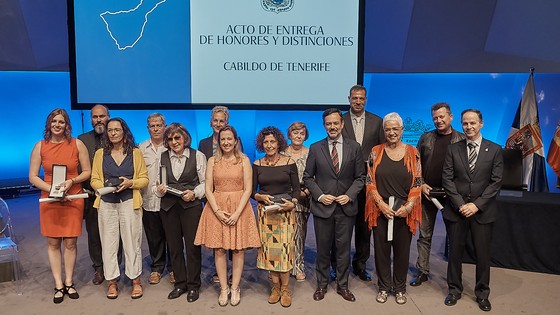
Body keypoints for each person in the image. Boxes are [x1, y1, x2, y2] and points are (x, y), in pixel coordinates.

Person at [442, 109, 503, 312]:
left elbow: (495, 183)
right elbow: (447, 180)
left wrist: (476, 205)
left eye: (473, 123)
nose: (468, 127)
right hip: (456, 210)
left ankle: (482, 293)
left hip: (482, 212)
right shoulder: (453, 149)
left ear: (481, 124)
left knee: (483, 255)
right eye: (465, 123)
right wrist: (461, 204)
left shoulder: (494, 150)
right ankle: (454, 290)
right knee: (455, 254)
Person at [29, 108, 91, 304]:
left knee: (71, 243)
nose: (57, 125)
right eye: (54, 121)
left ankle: (69, 282)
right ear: (49, 124)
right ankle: (58, 285)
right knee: (53, 243)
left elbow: (87, 171)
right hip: (50, 199)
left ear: (67, 125)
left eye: (61, 122)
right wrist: (52, 190)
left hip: (73, 197)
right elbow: (32, 176)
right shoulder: (40, 146)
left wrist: (71, 183)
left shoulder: (77, 144)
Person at [304, 108, 365, 303]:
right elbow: (307, 177)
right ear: (324, 126)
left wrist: (349, 196)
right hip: (323, 208)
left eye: (335, 123)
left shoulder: (354, 147)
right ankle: (321, 285)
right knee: (323, 249)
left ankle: (343, 285)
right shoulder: (315, 148)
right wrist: (320, 196)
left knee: (343, 249)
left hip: (346, 208)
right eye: (328, 124)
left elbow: (360, 177)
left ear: (342, 124)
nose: (332, 126)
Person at [194, 125, 260, 307]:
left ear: (236, 140)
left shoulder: (244, 160)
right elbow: (208, 188)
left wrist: (238, 212)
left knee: (238, 249)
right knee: (220, 249)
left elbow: (248, 189)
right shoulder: (212, 161)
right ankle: (224, 288)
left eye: (229, 138)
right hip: (217, 207)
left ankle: (235, 287)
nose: (226, 142)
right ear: (218, 141)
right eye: (223, 139)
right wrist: (216, 210)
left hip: (240, 207)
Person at [364, 112, 422, 305]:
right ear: (383, 131)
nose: (391, 132)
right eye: (387, 129)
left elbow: (418, 181)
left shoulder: (413, 152)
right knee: (381, 251)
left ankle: (399, 288)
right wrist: (380, 204)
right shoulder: (375, 151)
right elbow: (369, 179)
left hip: (404, 210)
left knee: (402, 251)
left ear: (402, 130)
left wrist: (409, 206)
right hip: (380, 209)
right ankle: (383, 287)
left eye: (395, 129)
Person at [90, 117, 148, 299]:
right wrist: (103, 187)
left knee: (132, 243)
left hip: (130, 202)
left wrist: (131, 183)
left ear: (124, 132)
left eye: (117, 129)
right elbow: (94, 179)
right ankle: (112, 281)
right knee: (108, 244)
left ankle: (135, 280)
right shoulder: (100, 153)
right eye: (110, 130)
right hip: (107, 204)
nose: (113, 133)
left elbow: (144, 179)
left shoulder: (135, 153)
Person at [410, 103, 465, 286]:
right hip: (427, 194)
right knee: (424, 235)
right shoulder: (425, 138)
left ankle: (453, 277)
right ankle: (422, 271)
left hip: (452, 196)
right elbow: (415, 166)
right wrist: (422, 185)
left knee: (454, 237)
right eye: (435, 118)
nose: (438, 120)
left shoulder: (462, 140)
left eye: (442, 117)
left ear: (451, 117)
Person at [155, 123, 206, 302]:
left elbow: (205, 183)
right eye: (170, 139)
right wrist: (159, 190)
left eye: (177, 138)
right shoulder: (161, 157)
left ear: (185, 138)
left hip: (191, 207)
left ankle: (193, 285)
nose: (174, 142)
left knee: (192, 248)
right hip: (168, 207)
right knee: (174, 247)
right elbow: (157, 185)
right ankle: (180, 284)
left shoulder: (197, 156)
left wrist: (194, 193)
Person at [341, 84, 385, 282]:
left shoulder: (377, 121)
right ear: (349, 98)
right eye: (354, 98)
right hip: (344, 182)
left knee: (364, 227)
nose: (358, 101)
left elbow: (382, 151)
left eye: (361, 98)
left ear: (366, 99)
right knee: (341, 227)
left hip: (368, 183)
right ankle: (338, 265)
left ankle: (360, 266)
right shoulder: (339, 120)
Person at [252, 126, 299, 308]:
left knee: (284, 251)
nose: (269, 145)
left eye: (272, 141)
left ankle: (286, 288)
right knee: (271, 252)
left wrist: (293, 202)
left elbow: (296, 189)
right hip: (266, 214)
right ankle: (275, 287)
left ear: (279, 142)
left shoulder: (289, 162)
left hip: (285, 212)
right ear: (261, 144)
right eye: (266, 142)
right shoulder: (257, 164)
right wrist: (260, 197)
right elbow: (252, 192)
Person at [197, 105, 243, 283]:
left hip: (233, 196)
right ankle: (221, 272)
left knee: (235, 238)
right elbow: (202, 170)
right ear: (210, 122)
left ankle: (233, 272)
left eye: (221, 121)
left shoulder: (236, 142)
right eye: (215, 120)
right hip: (213, 197)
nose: (217, 123)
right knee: (219, 239)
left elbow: (239, 165)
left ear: (226, 122)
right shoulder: (203, 144)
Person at [78, 104, 112, 285]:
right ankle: (99, 269)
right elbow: (77, 166)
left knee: (115, 234)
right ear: (91, 119)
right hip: (91, 196)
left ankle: (114, 267)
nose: (99, 120)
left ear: (108, 116)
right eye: (95, 117)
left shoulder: (117, 134)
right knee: (94, 234)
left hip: (115, 195)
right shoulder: (82, 140)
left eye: (102, 116)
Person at [139, 113, 173, 285]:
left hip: (170, 200)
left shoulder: (172, 145)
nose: (156, 128)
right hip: (149, 200)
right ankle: (157, 267)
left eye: (159, 125)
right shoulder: (141, 148)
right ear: (148, 128)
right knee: (154, 236)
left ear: (164, 126)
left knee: (172, 235)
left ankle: (174, 268)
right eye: (152, 126)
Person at [283, 122, 311, 282]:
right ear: (289, 135)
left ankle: (298, 266)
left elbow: (314, 176)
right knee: (284, 234)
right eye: (295, 133)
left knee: (299, 235)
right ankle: (282, 266)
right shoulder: (281, 153)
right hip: (284, 197)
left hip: (303, 198)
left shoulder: (311, 153)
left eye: (301, 133)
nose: (298, 136)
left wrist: (305, 192)